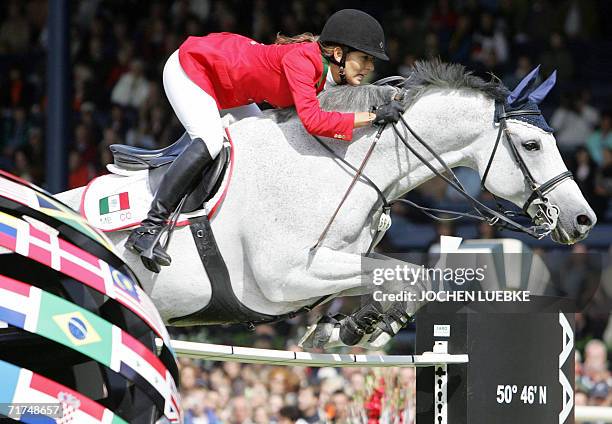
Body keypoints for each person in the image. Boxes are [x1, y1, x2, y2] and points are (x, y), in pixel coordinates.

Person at [125, 9, 403, 272]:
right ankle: (149, 227)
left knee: (254, 143)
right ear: (339, 54)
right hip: (193, 67)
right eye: (364, 59)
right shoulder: (303, 60)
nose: (368, 67)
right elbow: (314, 121)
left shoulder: (329, 71)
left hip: (231, 89)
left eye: (371, 61)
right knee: (210, 141)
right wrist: (371, 116)